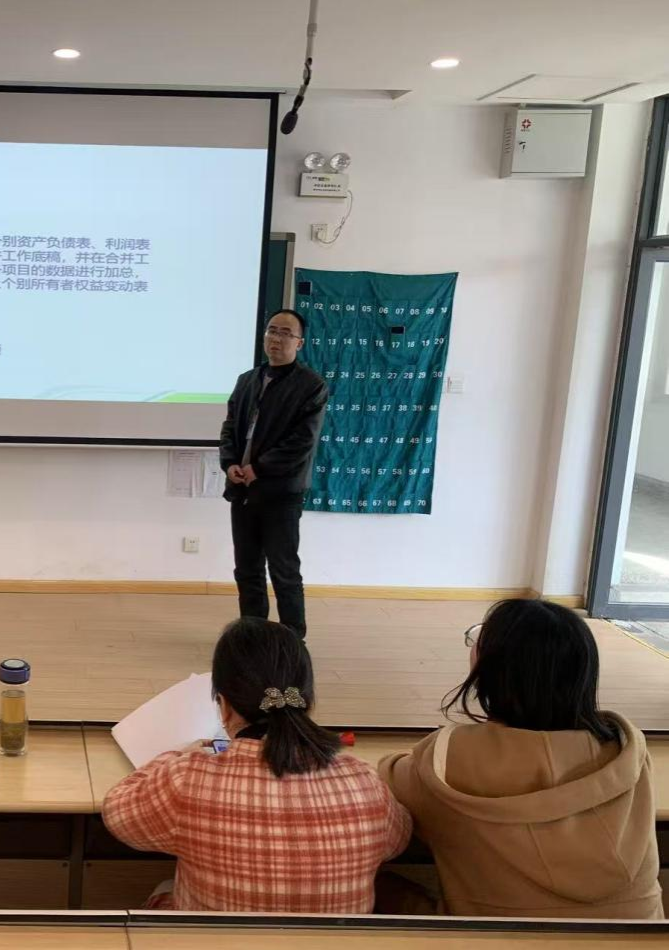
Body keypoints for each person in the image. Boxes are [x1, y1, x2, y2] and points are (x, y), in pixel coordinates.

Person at [379, 599, 663, 919]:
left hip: (495, 938)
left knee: (379, 886)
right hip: (643, 936)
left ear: (488, 669)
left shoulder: (448, 759)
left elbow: (387, 781)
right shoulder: (626, 749)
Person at [103, 618, 411, 913]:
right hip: (332, 941)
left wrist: (175, 756)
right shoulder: (363, 780)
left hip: (218, 940)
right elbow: (398, 841)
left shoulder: (188, 780)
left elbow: (118, 814)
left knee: (164, 888)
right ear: (307, 701)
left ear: (224, 705)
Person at [220, 309, 327, 638]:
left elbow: (302, 441)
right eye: (271, 330)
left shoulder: (311, 385)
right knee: (247, 569)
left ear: (299, 342)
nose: (275, 338)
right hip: (243, 490)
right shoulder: (247, 380)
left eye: (285, 333)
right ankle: (254, 637)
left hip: (281, 494)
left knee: (284, 571)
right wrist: (230, 463)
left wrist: (259, 468)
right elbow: (230, 428)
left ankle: (293, 639)